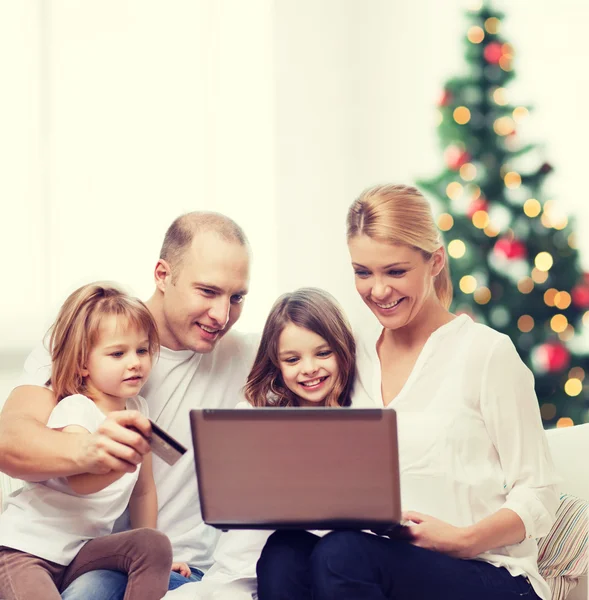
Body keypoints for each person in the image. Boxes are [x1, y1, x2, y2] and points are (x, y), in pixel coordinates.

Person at [256, 184, 560, 600]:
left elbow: (540, 493)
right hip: (384, 563)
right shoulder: (353, 354)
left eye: (395, 271)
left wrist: (464, 539)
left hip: (488, 573)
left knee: (341, 554)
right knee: (284, 551)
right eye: (363, 272)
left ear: (434, 262)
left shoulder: (486, 353)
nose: (377, 291)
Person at [0, 212, 259, 599]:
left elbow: (144, 489)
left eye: (236, 297)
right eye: (207, 291)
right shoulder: (88, 343)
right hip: (72, 558)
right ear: (162, 275)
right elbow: (10, 441)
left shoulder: (251, 356)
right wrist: (95, 452)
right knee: (87, 592)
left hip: (180, 566)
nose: (223, 316)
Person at [162, 287, 358, 600]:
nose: (309, 368)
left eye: (322, 353)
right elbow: (229, 500)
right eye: (292, 359)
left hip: (311, 569)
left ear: (343, 350)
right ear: (277, 364)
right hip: (240, 571)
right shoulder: (253, 416)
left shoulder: (359, 420)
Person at [0, 282, 176, 599]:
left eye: (142, 350)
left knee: (154, 543)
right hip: (26, 550)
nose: (135, 362)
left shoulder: (139, 410)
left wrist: (157, 553)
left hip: (78, 552)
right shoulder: (76, 407)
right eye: (118, 353)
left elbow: (144, 490)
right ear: (83, 363)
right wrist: (124, 458)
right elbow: (81, 481)